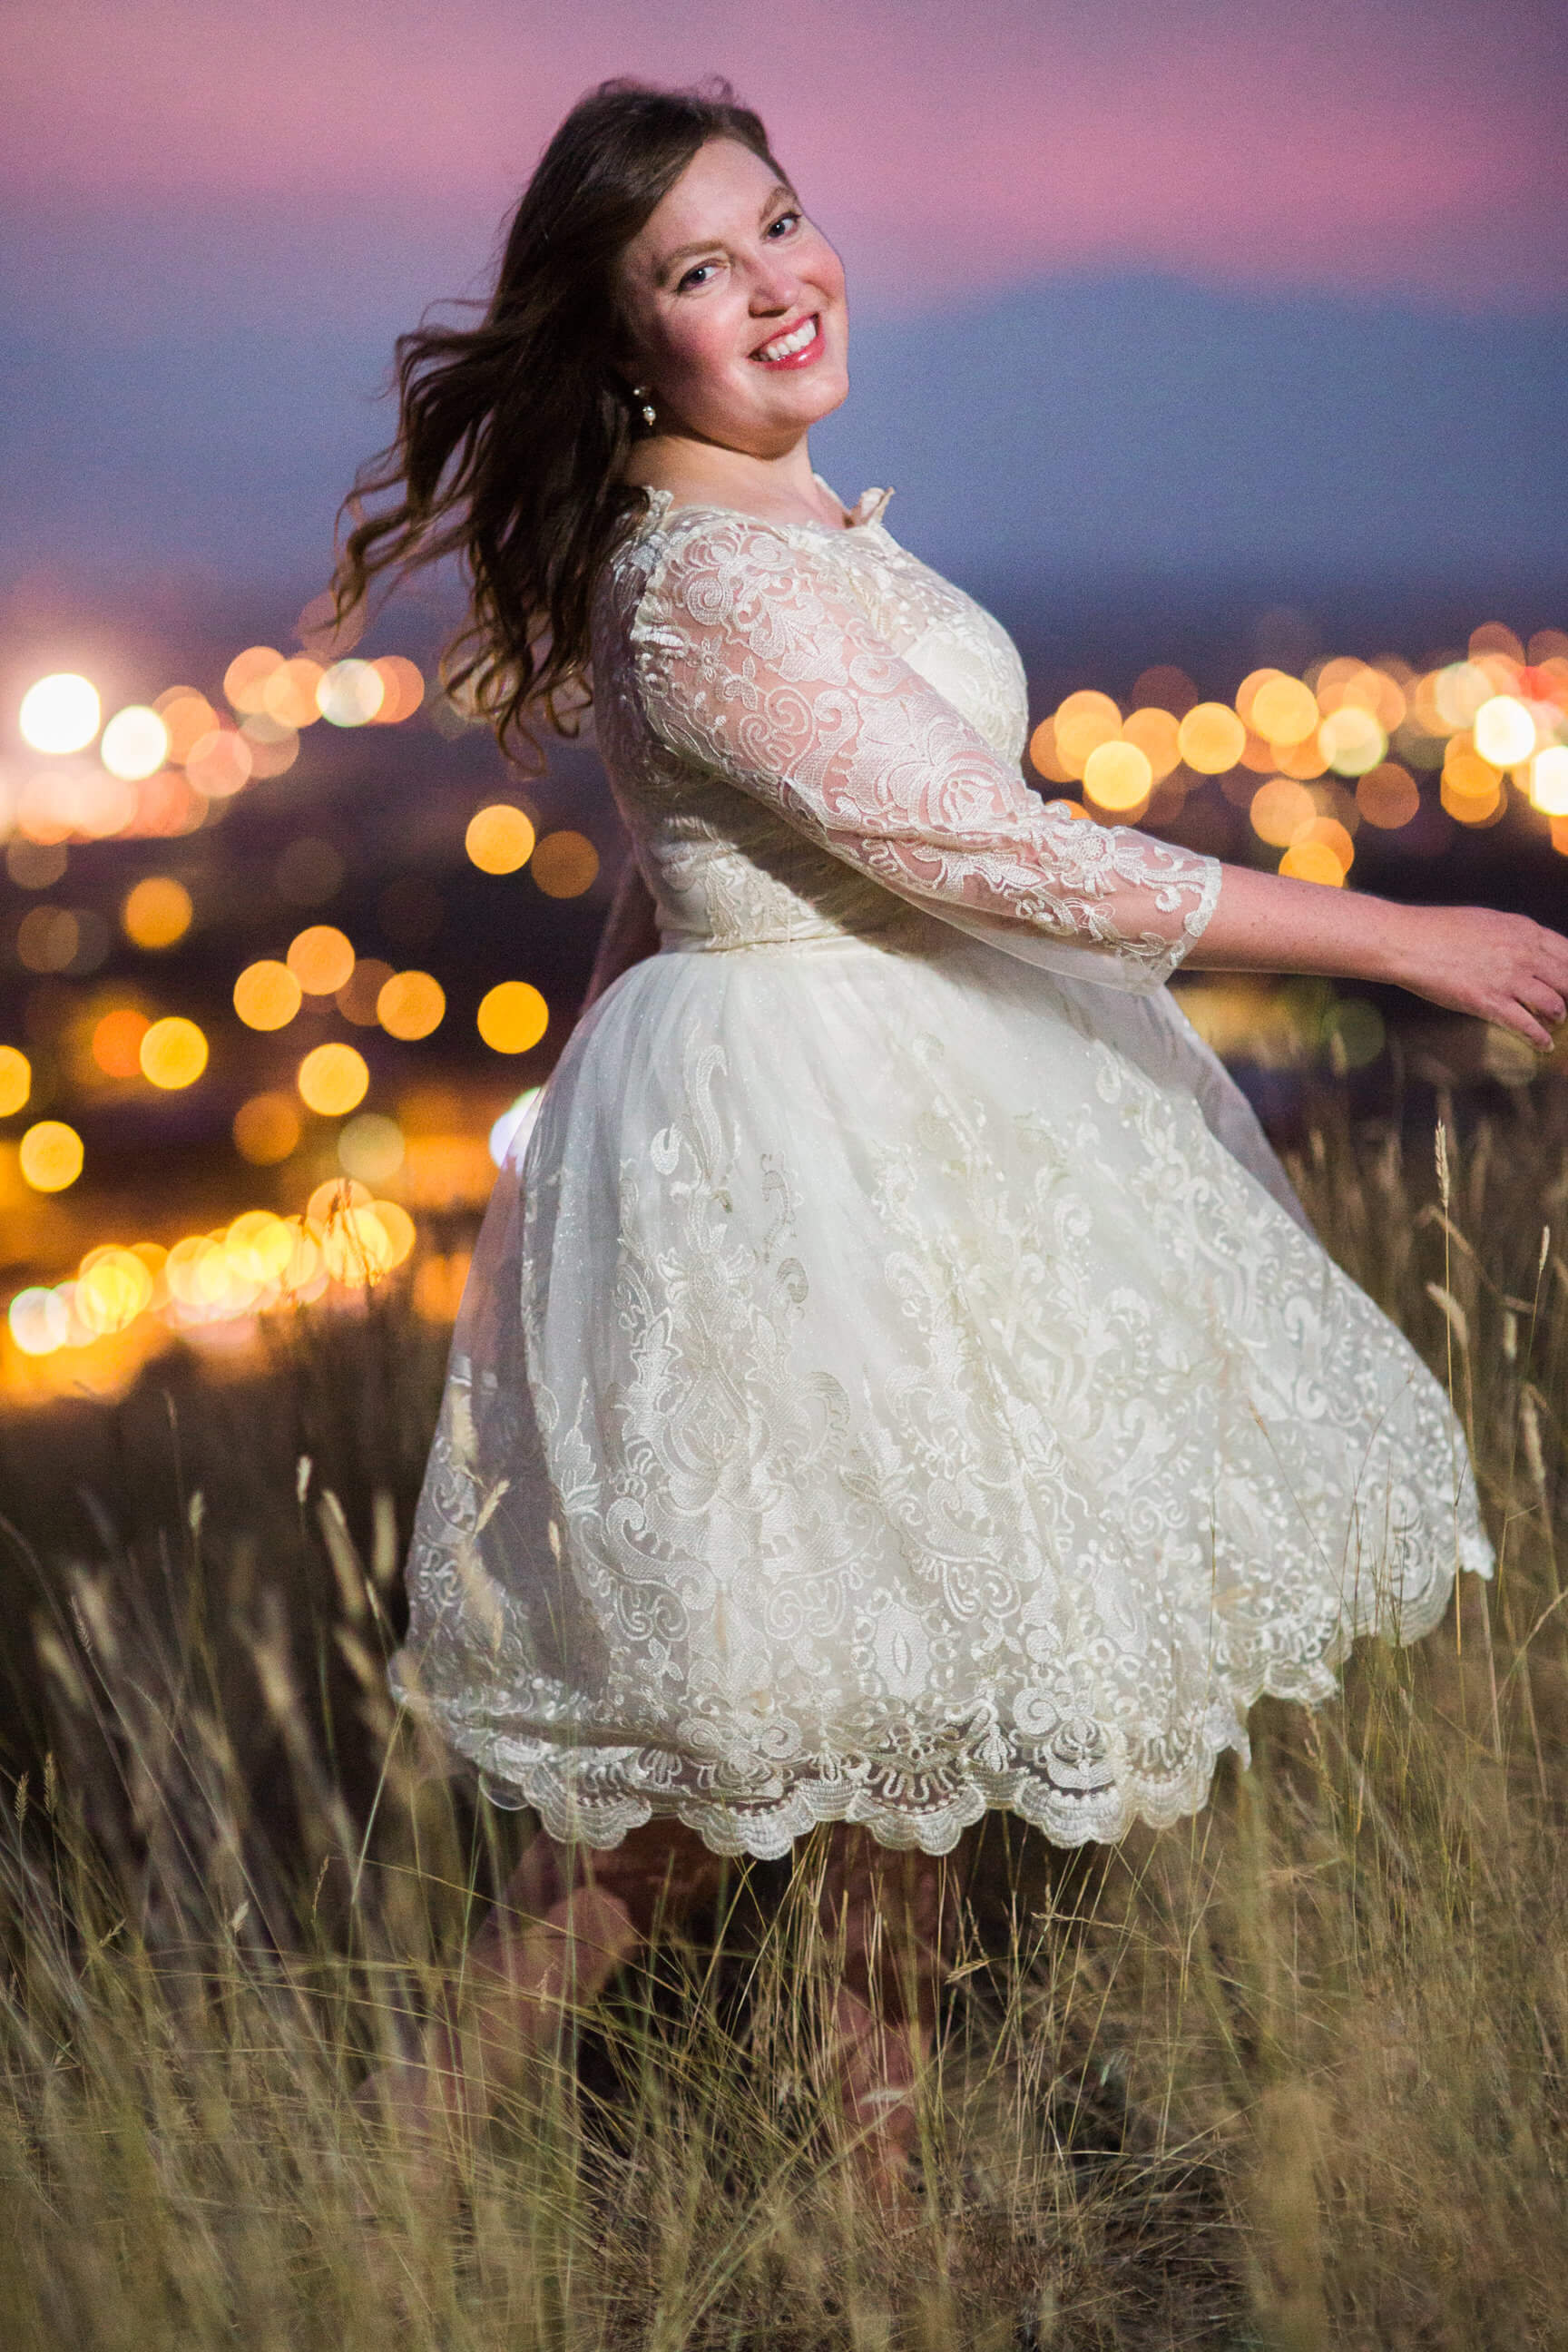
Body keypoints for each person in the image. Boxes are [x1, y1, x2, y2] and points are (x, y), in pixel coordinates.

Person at [333, 77, 1566, 2200]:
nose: (780, 285)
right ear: (628, 341)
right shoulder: (706, 578)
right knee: (688, 1809)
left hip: (895, 1145)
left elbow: (659, 878)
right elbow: (998, 859)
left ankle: (876, 2258)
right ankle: (378, 2218)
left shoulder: (790, 533)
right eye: (701, 273)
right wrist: (1406, 935)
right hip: (810, 1170)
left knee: (893, 1757)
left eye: (782, 222)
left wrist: (578, 1120)